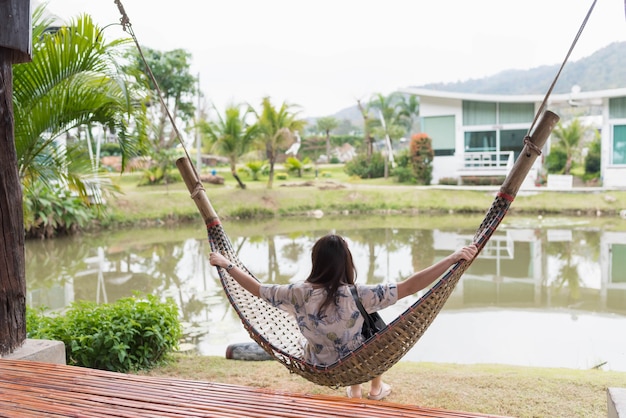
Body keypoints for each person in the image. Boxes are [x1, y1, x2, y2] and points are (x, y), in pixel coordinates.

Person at [209, 234, 478, 400]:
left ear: (316, 261)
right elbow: (409, 285)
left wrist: (227, 264)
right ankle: (374, 389)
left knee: (362, 331)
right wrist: (452, 258)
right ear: (346, 262)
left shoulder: (295, 293)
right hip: (359, 361)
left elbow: (256, 289)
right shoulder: (359, 294)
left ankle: (357, 391)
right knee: (377, 334)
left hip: (319, 361)